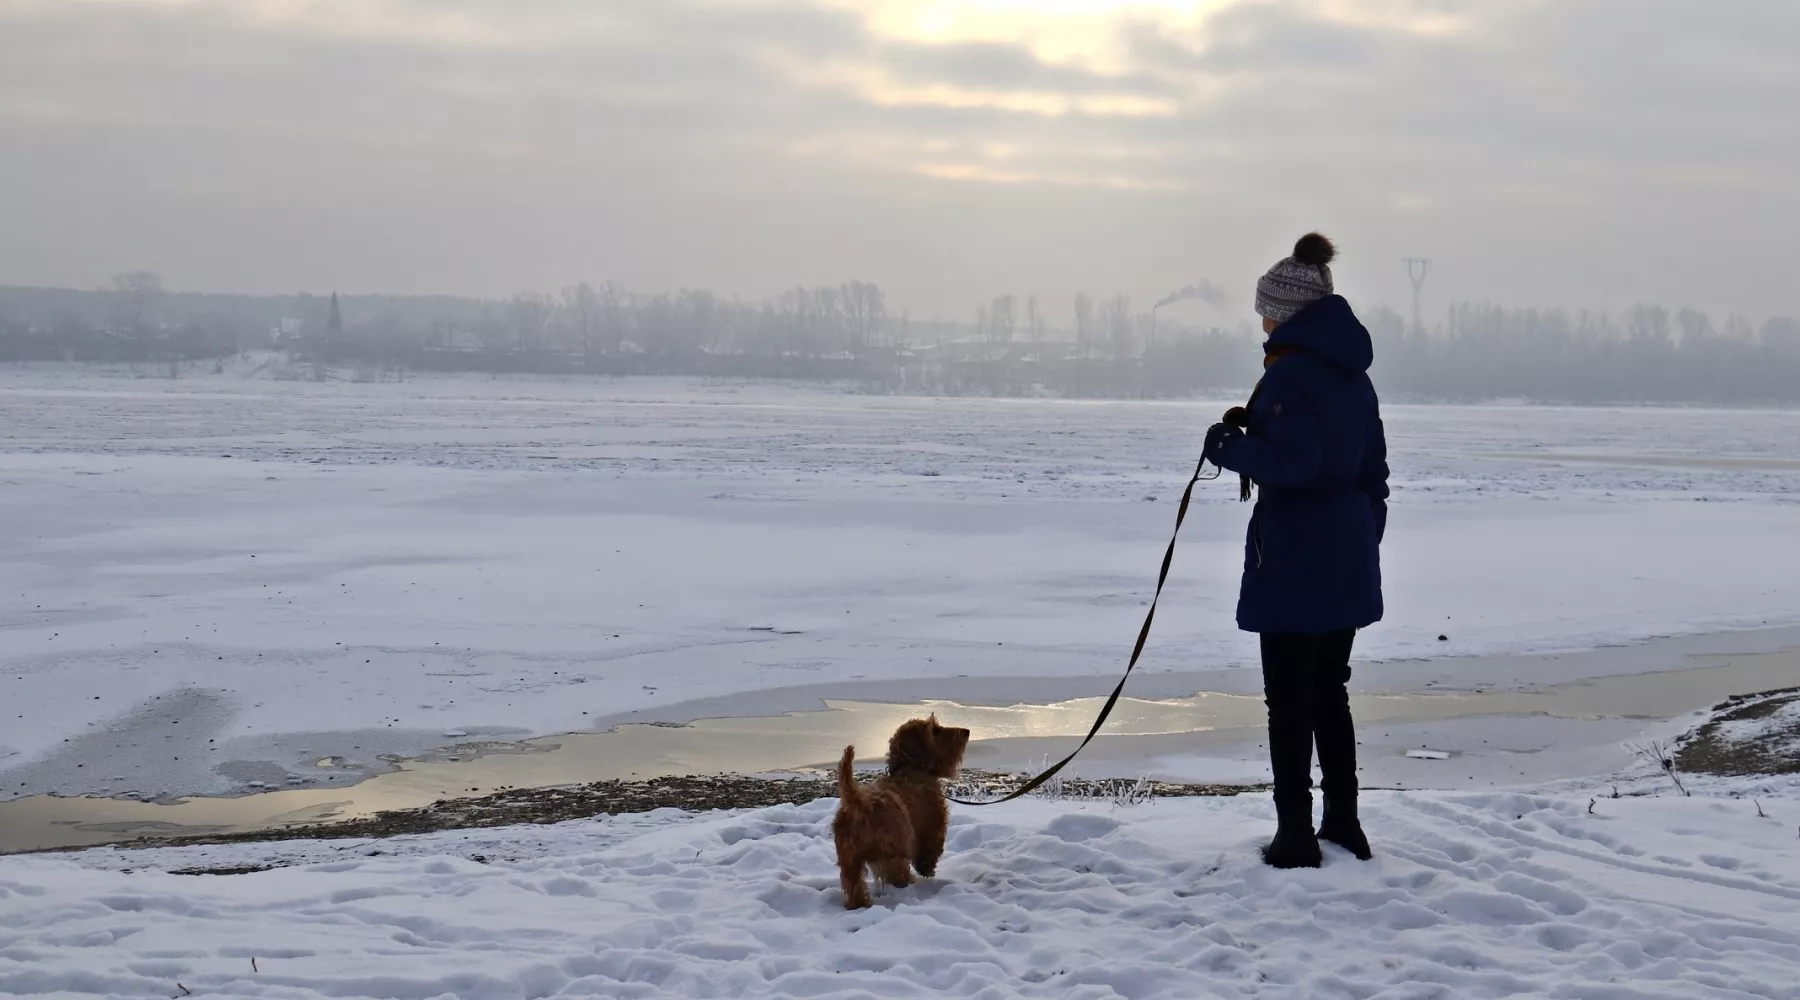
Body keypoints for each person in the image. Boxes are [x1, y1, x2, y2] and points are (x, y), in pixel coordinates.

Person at [1202, 232, 1388, 869]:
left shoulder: (1294, 373)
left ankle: (1294, 837)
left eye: (1264, 309)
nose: (1259, 320)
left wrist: (1229, 449)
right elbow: (1372, 472)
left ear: (1283, 311)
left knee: (1289, 702)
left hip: (1295, 563)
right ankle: (1344, 823)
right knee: (1329, 692)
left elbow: (1297, 462)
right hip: (1345, 558)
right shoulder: (1350, 376)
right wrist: (1363, 536)